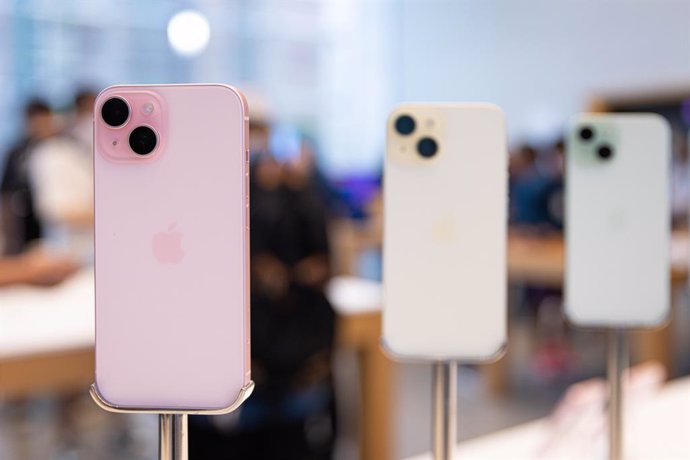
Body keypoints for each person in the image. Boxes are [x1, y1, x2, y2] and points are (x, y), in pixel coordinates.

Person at [28, 91, 95, 261]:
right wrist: (104, 216)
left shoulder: (81, 151)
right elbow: (54, 209)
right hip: (69, 252)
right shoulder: (49, 154)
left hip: (93, 249)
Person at [0, 99, 55, 255]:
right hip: (23, 217)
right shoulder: (17, 152)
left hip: (50, 219)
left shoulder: (60, 148)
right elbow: (6, 192)